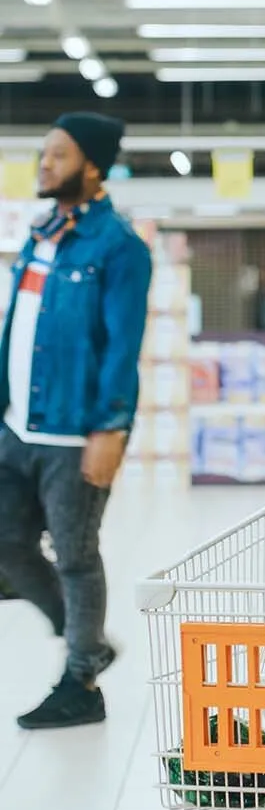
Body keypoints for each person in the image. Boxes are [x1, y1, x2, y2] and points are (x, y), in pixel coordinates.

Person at [0, 112, 152, 730]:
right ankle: (84, 636)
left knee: (75, 555)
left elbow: (123, 345)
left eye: (57, 155)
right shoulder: (42, 235)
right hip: (16, 426)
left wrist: (110, 427)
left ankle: (81, 683)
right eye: (44, 153)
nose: (44, 163)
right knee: (7, 542)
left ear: (91, 165)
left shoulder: (119, 247)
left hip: (75, 433)